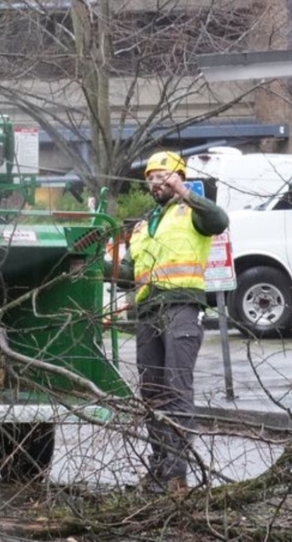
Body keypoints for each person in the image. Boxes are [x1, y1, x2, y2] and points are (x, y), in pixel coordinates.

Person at [110, 151, 228, 493]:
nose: (154, 183)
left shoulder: (192, 210)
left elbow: (219, 221)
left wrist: (187, 193)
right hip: (147, 313)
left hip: (181, 308)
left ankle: (176, 477)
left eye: (161, 176)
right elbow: (129, 275)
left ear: (177, 177)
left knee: (177, 391)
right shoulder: (144, 225)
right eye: (149, 178)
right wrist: (90, 267)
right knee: (152, 395)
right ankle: (159, 470)